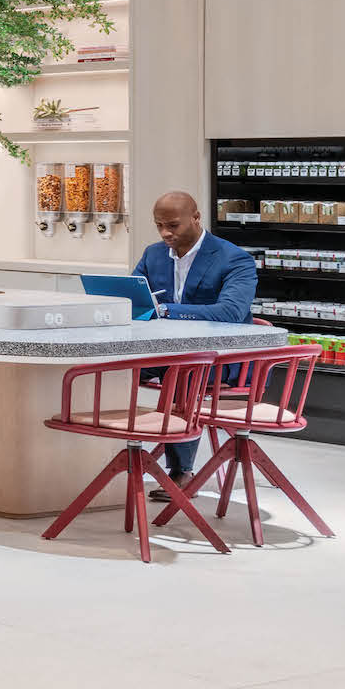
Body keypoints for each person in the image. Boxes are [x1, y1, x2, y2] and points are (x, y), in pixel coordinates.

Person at [133, 190, 258, 500]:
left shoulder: (234, 259)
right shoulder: (153, 254)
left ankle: (182, 470)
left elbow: (229, 313)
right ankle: (116, 450)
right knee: (113, 368)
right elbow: (135, 299)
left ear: (196, 218)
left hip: (222, 360)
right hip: (166, 352)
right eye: (159, 225)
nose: (165, 233)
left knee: (183, 371)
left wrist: (164, 311)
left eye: (173, 225)